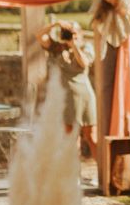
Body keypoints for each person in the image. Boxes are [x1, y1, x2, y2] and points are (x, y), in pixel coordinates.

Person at [37, 20, 97, 158]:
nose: (71, 35)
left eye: (74, 33)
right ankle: (74, 176)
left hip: (84, 96)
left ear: (80, 34)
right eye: (68, 33)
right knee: (70, 139)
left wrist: (74, 45)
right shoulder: (56, 47)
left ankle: (101, 175)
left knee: (92, 137)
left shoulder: (86, 47)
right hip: (66, 98)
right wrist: (55, 24)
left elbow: (84, 63)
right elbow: (39, 36)